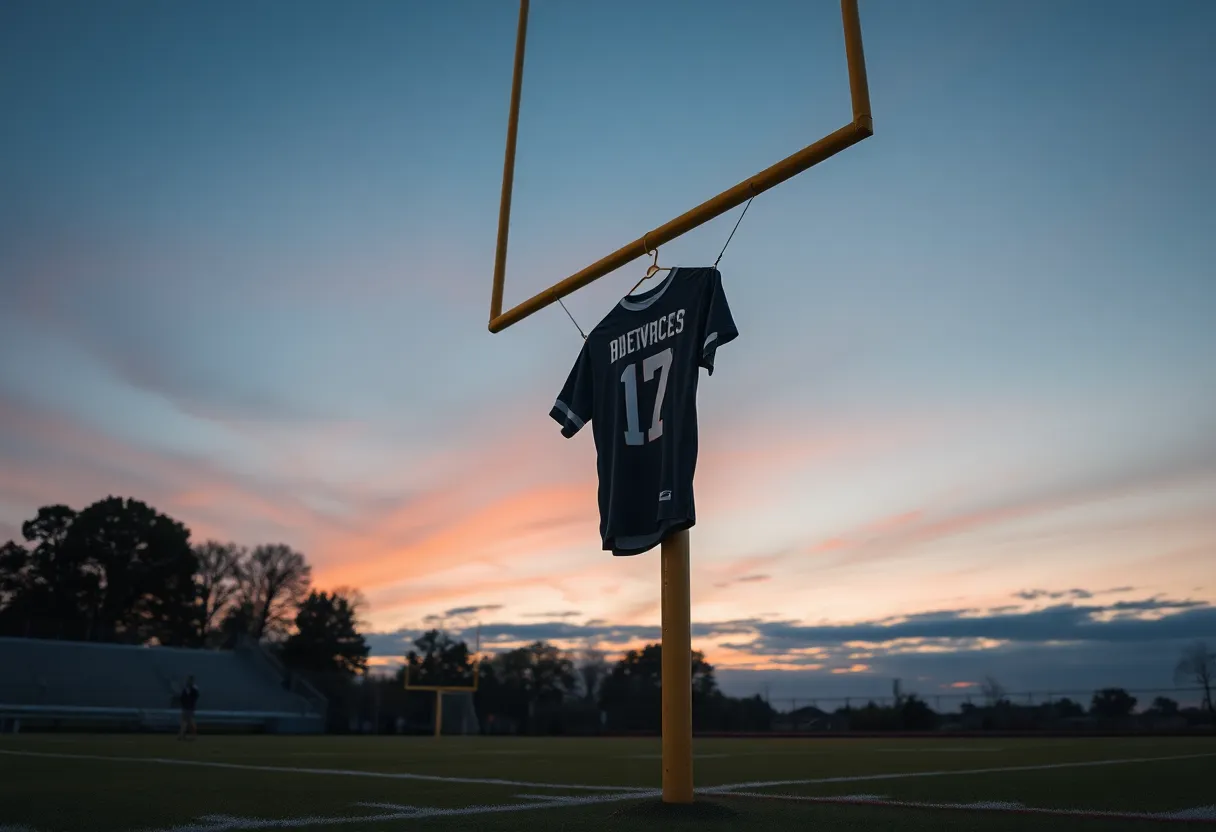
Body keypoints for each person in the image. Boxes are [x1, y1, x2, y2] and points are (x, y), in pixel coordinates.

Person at [177, 675, 200, 741]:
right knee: (184, 722)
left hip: (190, 708)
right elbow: (182, 697)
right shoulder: (187, 688)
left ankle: (191, 736)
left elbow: (194, 697)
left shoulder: (193, 688)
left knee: (190, 722)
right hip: (186, 707)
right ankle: (182, 735)